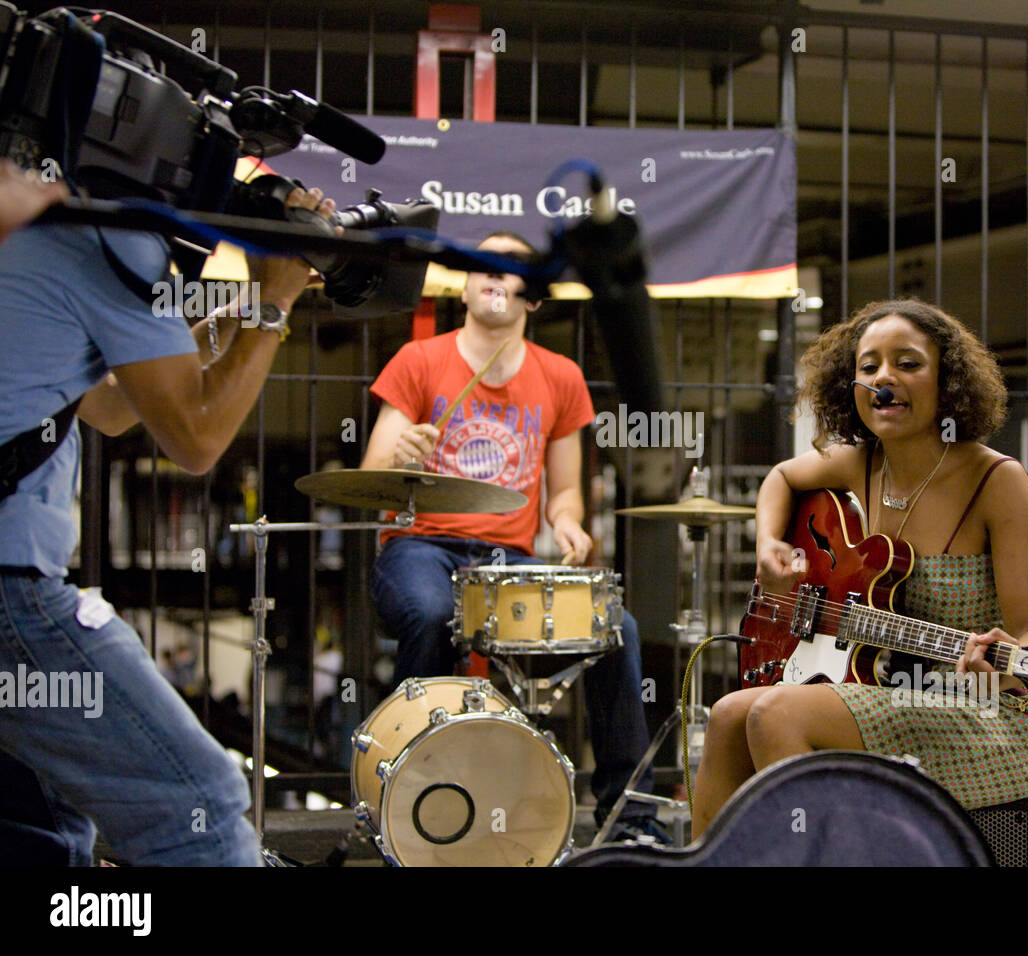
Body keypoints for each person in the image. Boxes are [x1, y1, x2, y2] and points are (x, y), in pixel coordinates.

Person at [0, 169, 338, 866]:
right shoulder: (103, 241)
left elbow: (116, 407)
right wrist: (273, 301)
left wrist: (240, 316)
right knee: (201, 807)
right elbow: (196, 439)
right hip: (13, 594)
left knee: (40, 827)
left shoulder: (36, 248)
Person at [690, 298, 1028, 837]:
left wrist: (1005, 665)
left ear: (948, 381)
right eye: (869, 367)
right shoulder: (860, 463)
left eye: (908, 363)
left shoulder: (997, 480)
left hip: (985, 715)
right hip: (882, 687)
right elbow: (782, 478)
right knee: (726, 714)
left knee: (777, 714)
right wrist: (769, 543)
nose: (885, 378)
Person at [361, 231, 667, 842]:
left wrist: (568, 522)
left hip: (510, 560)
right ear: (465, 285)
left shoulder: (561, 377)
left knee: (619, 628)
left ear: (534, 298)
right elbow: (370, 484)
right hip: (420, 546)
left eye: (511, 267)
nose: (494, 274)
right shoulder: (418, 361)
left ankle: (628, 819)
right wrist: (405, 455)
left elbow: (564, 491)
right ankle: (405, 786)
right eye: (481, 264)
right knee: (429, 610)